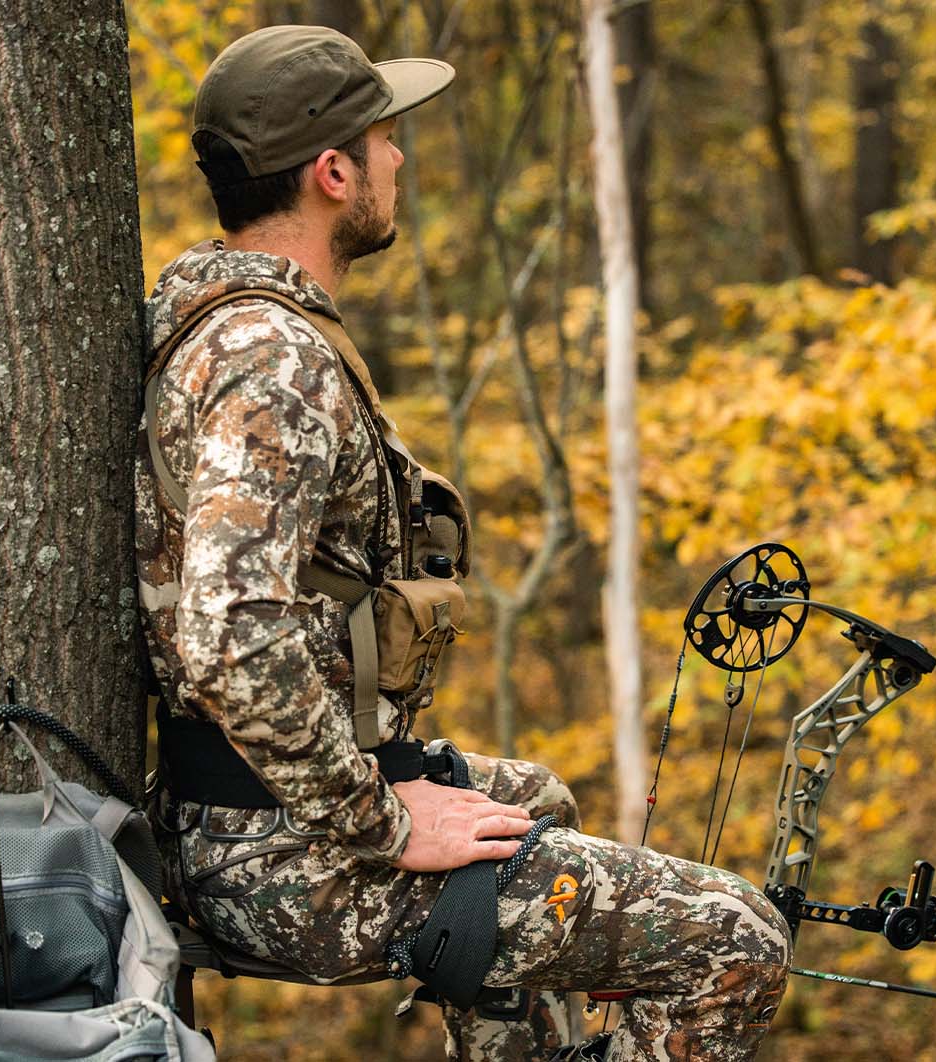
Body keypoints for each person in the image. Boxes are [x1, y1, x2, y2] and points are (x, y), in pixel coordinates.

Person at [134, 24, 790, 1061]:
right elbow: (230, 635)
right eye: (385, 140)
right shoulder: (271, 359)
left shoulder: (214, 316)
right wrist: (387, 825)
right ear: (333, 172)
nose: (401, 159)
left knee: (533, 799)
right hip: (272, 852)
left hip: (247, 810)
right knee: (735, 936)